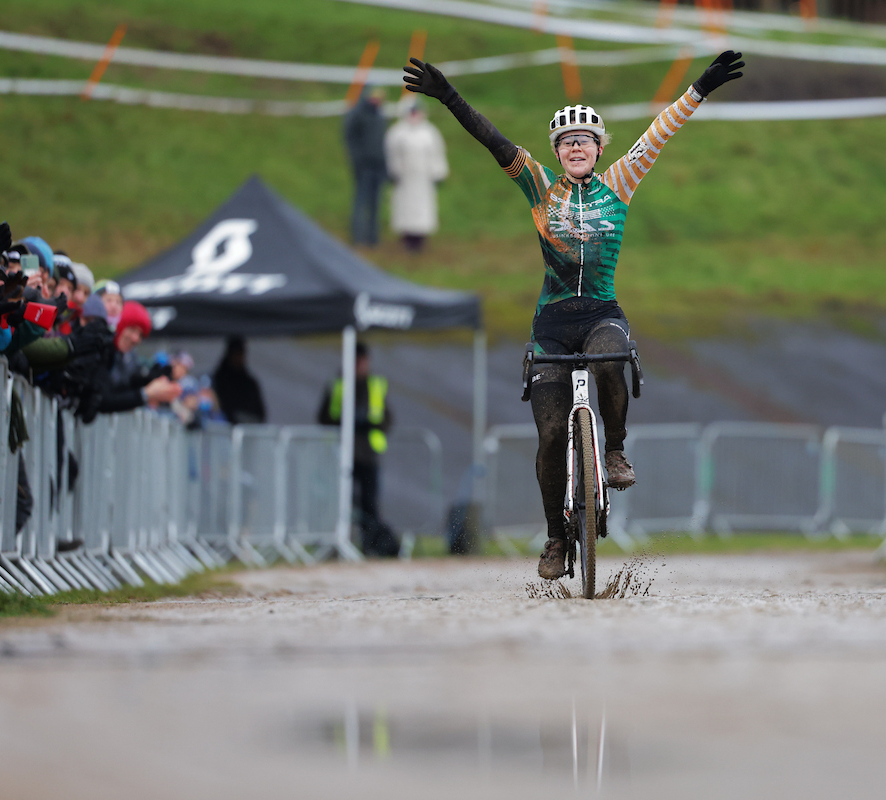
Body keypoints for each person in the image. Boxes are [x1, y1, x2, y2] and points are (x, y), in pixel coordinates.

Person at [403, 50, 746, 580]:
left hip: (602, 313)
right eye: (567, 141)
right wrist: (447, 94)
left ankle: (614, 452)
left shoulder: (620, 182)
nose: (576, 147)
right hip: (553, 325)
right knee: (548, 437)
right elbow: (492, 140)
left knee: (612, 356)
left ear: (600, 147)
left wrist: (700, 86)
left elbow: (660, 132)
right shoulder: (539, 185)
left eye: (585, 140)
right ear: (557, 152)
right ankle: (556, 538)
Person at [317, 342, 398, 557]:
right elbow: (323, 417)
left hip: (368, 455)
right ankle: (337, 545)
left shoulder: (375, 385)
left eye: (363, 361)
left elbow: (388, 420)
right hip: (341, 455)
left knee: (369, 505)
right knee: (339, 503)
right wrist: (346, 421)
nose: (360, 365)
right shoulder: (338, 385)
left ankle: (370, 546)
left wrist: (368, 422)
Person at [384, 98, 449, 252]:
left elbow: (436, 153)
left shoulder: (429, 132)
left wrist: (439, 172)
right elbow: (392, 154)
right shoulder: (397, 133)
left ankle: (420, 238)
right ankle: (406, 237)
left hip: (423, 179)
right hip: (405, 179)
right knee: (404, 207)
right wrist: (395, 171)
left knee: (423, 207)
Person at [343, 85, 390, 246]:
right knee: (361, 201)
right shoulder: (358, 114)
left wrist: (385, 166)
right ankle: (358, 236)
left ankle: (373, 238)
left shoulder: (380, 116)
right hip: (364, 167)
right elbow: (350, 139)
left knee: (376, 203)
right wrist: (358, 162)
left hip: (378, 166)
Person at [211, 335, 266, 424]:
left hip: (246, 428)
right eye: (236, 354)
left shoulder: (249, 383)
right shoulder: (218, 380)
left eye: (240, 354)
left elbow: (260, 414)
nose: (238, 358)